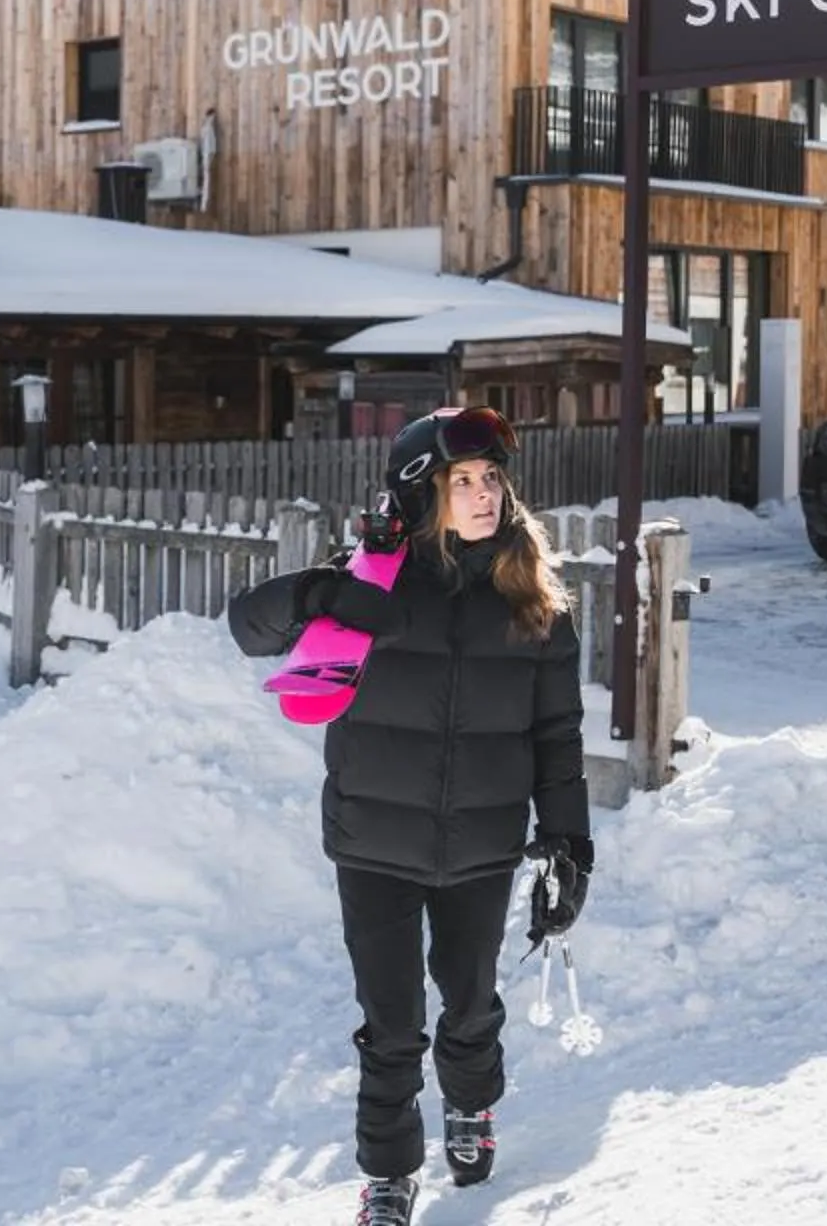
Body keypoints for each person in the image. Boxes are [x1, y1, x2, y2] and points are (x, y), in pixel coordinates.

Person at [228, 405, 594, 1225]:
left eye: (491, 479)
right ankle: (389, 1178)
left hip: (483, 842)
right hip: (375, 841)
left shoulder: (533, 595)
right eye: (461, 481)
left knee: (468, 1004)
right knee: (390, 1025)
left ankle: (471, 1103)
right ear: (422, 493)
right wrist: (323, 591)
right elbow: (246, 627)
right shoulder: (371, 582)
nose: (483, 495)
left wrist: (570, 845)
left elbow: (556, 731)